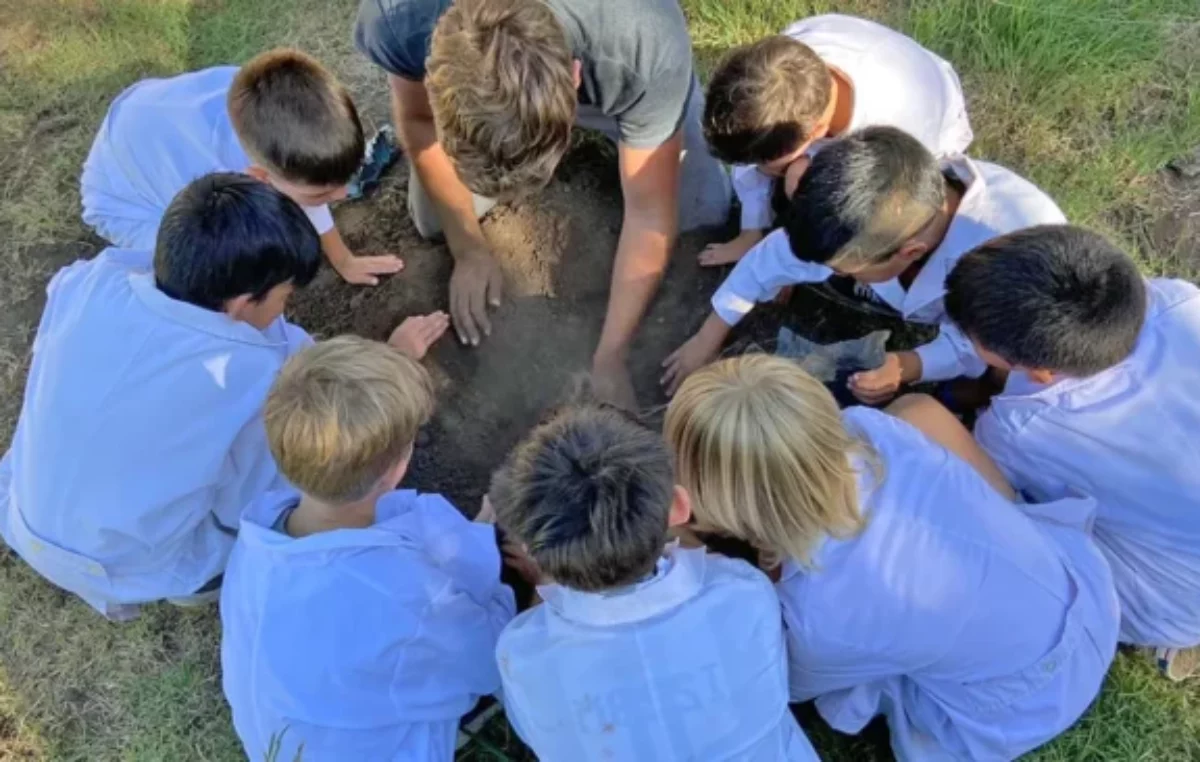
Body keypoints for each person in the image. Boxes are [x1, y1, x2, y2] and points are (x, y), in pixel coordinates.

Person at [0, 173, 447, 621]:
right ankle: (203, 580)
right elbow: (318, 436)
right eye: (285, 295)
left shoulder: (90, 280)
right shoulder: (257, 369)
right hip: (133, 563)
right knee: (309, 463)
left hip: (22, 512)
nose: (285, 309)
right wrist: (391, 362)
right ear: (240, 302)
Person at [664, 355, 1120, 761]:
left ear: (733, 505)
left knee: (864, 687)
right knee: (915, 411)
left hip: (1029, 697)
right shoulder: (868, 427)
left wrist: (681, 541)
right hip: (1082, 594)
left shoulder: (821, 616)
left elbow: (784, 684)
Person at [355, 0, 732, 406]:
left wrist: (611, 355)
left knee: (707, 210)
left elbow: (649, 211)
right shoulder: (399, 18)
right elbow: (417, 119)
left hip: (622, 72)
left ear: (574, 78)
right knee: (433, 220)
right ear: (433, 82)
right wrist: (468, 248)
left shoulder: (644, 37)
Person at [221, 336, 511, 761]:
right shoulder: (410, 597)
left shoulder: (258, 538)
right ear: (397, 468)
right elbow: (492, 659)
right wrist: (483, 556)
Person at [489, 404, 818, 760]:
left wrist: (542, 578)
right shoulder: (744, 592)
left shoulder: (521, 654)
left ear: (529, 549)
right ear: (679, 507)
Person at [944, 224, 1200, 680]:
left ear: (1040, 372)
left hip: (1173, 596)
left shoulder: (1022, 428)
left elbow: (993, 488)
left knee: (1025, 527)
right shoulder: (1179, 301)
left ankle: (1161, 637)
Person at [663, 126, 1065, 401]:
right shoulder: (867, 204)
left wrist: (908, 366)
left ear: (910, 253)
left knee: (997, 380)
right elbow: (772, 257)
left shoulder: (1017, 264)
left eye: (845, 269)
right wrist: (707, 337)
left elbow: (978, 348)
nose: (833, 273)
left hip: (1012, 335)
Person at [81, 48, 403, 286]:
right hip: (123, 199)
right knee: (207, 270)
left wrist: (343, 259)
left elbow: (304, 188)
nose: (343, 194)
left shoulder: (263, 103)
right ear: (260, 177)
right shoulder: (219, 187)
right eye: (323, 192)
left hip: (147, 123)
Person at [699, 14, 973, 268]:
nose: (757, 168)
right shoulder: (782, 65)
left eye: (768, 163)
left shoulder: (898, 134)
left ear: (817, 132)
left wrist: (792, 260)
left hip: (928, 130)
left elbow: (900, 197)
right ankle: (753, 234)